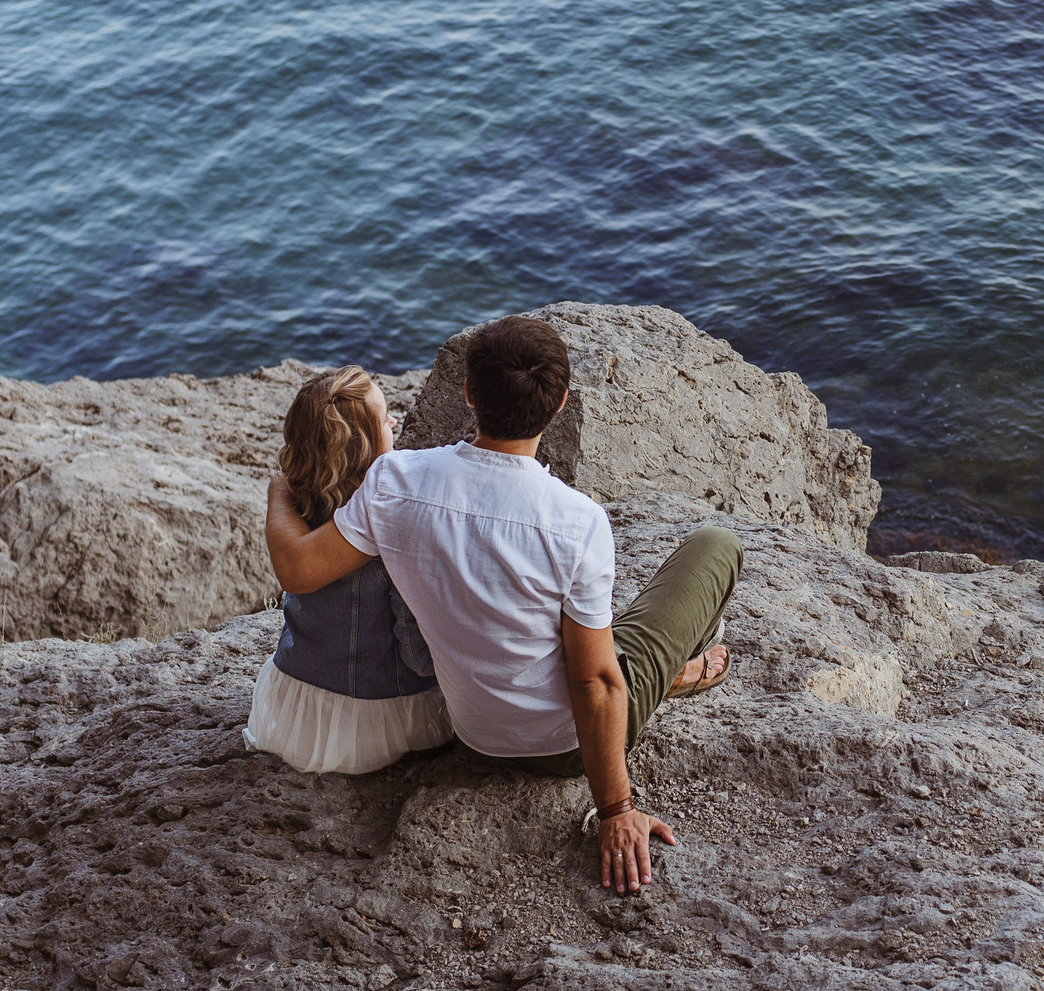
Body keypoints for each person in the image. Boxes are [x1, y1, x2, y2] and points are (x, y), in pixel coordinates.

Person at [265, 315, 740, 895]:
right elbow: (594, 683)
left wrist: (279, 490)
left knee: (580, 639)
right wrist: (616, 810)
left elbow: (298, 568)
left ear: (468, 393)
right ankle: (671, 672)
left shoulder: (393, 482)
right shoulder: (577, 521)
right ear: (561, 403)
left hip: (473, 733)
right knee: (715, 546)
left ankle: (665, 670)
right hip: (564, 747)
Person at [245, 367, 454, 773]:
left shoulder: (304, 501)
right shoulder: (389, 519)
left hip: (296, 701)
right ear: (361, 446)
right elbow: (414, 649)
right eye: (384, 418)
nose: (394, 421)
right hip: (376, 713)